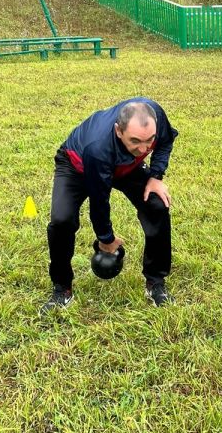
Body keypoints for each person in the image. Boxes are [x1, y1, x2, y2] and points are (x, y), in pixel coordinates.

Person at [42, 98, 178, 312]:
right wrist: (106, 239)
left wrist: (156, 176)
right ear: (118, 131)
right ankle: (62, 287)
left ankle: (156, 282)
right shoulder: (98, 148)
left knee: (157, 206)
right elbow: (99, 200)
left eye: (148, 140)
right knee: (61, 221)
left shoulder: (155, 117)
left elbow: (165, 142)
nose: (143, 148)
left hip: (125, 167)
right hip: (77, 167)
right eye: (135, 141)